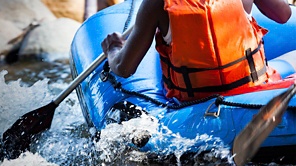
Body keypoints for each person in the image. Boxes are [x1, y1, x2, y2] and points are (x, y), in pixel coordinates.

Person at [101, 0, 293, 101]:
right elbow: (284, 14)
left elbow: (123, 68)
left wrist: (114, 48)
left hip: (193, 103)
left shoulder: (156, 4)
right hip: (254, 92)